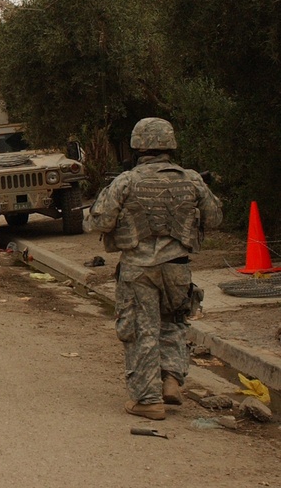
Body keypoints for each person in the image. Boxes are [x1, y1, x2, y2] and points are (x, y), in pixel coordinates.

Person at [86, 117, 222, 421]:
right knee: (174, 322)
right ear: (170, 144)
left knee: (141, 330)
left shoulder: (126, 181)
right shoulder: (191, 179)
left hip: (139, 270)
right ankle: (171, 379)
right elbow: (214, 218)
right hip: (178, 268)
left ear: (138, 145)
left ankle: (148, 400)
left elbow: (100, 222)